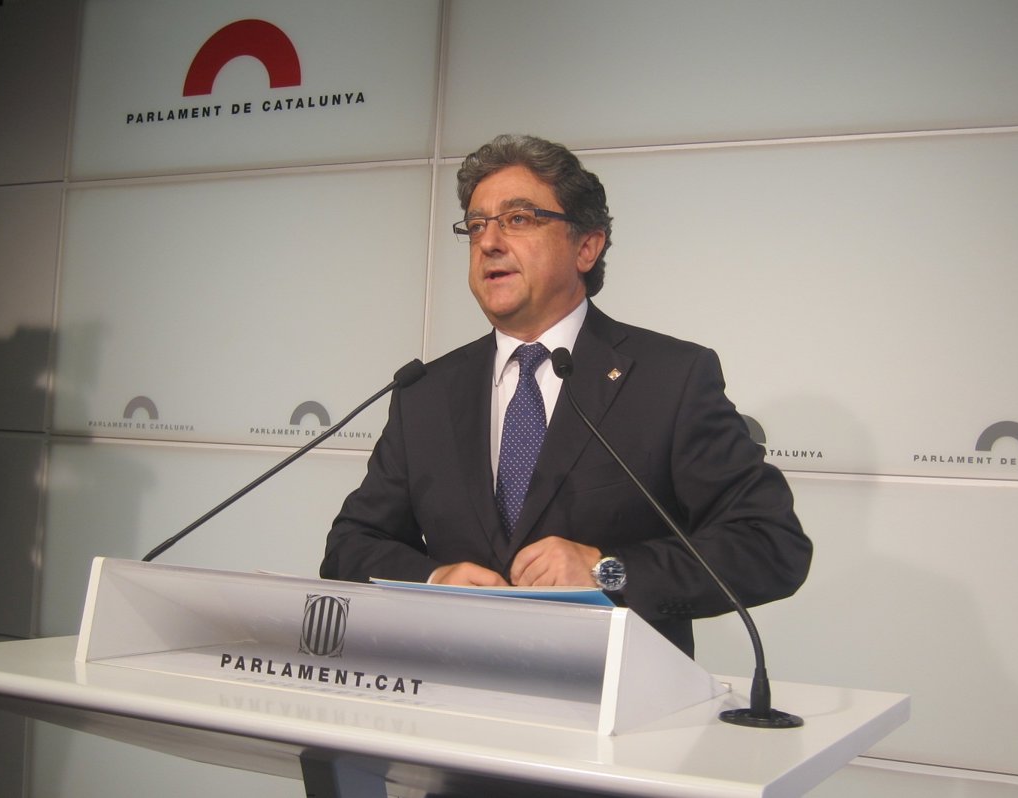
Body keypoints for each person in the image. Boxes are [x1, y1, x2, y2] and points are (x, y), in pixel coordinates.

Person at [321, 134, 810, 657]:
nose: (489, 242)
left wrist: (605, 570)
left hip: (612, 692)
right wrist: (433, 579)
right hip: (452, 682)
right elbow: (351, 546)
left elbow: (768, 543)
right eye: (477, 225)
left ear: (586, 247)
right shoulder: (426, 392)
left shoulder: (670, 379)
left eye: (518, 219)